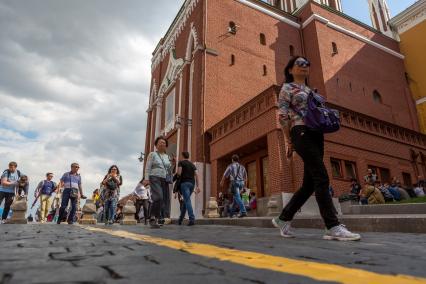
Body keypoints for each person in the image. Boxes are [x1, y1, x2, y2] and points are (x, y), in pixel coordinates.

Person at [272, 56, 360, 241]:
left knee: (309, 184)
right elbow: (282, 116)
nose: (304, 66)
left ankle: (283, 218)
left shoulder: (309, 90)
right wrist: (289, 141)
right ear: (290, 70)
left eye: (307, 64)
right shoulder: (287, 88)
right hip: (300, 132)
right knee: (322, 177)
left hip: (316, 134)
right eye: (300, 63)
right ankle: (332, 226)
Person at [144, 136, 172, 228]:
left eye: (164, 142)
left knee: (163, 199)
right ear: (156, 145)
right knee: (159, 196)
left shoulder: (167, 157)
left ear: (166, 145)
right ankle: (153, 216)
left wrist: (173, 164)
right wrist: (146, 178)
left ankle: (155, 218)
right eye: (160, 142)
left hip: (164, 179)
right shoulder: (152, 154)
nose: (162, 144)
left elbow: (169, 169)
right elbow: (148, 167)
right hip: (154, 177)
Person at [177, 151, 200, 226]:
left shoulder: (181, 163)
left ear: (182, 156)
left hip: (184, 183)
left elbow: (179, 173)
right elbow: (196, 175)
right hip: (192, 184)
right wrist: (198, 186)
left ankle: (192, 218)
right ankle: (180, 219)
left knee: (187, 200)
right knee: (185, 201)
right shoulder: (192, 165)